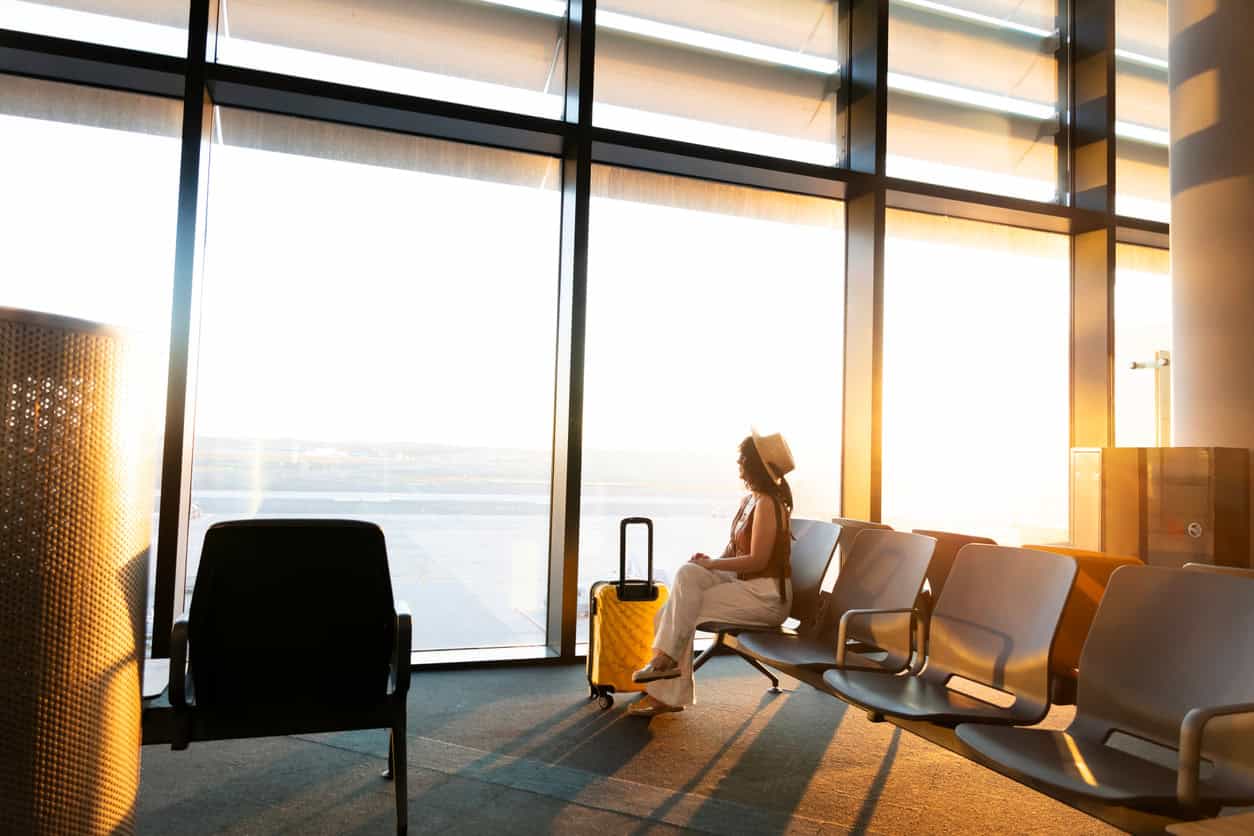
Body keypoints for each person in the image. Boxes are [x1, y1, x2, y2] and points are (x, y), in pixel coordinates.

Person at [628, 429, 795, 717]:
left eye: (743, 458)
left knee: (681, 611)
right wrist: (709, 562)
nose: (738, 463)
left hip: (765, 597)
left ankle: (665, 683)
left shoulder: (768, 503)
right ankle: (666, 669)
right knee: (687, 575)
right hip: (746, 588)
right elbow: (734, 555)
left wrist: (713, 567)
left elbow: (757, 561)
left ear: (755, 464)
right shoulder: (750, 501)